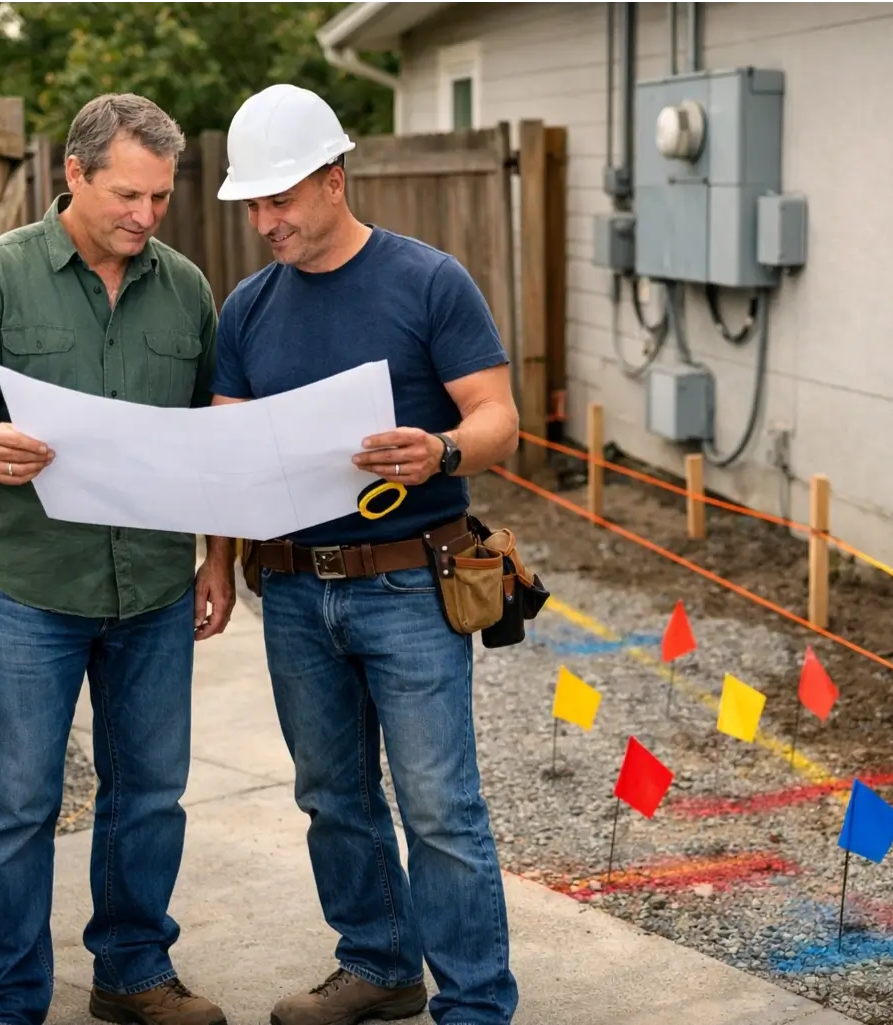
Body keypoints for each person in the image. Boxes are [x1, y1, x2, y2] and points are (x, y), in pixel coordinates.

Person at [0, 93, 233, 1025]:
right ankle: (6, 1001)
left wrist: (218, 560)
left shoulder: (187, 289)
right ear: (74, 173)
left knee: (151, 793)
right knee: (16, 803)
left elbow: (215, 436)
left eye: (161, 199)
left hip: (155, 588)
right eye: (127, 195)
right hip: (31, 587)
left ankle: (133, 973)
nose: (144, 216)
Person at [206, 84, 521, 1025]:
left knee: (439, 806)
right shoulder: (247, 310)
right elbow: (228, 458)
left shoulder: (428, 281)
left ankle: (474, 1003)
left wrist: (443, 450)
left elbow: (498, 417)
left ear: (334, 179)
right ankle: (380, 964)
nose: (264, 222)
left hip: (412, 586)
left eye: (279, 200)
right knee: (332, 795)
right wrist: (218, 563)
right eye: (252, 205)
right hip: (295, 594)